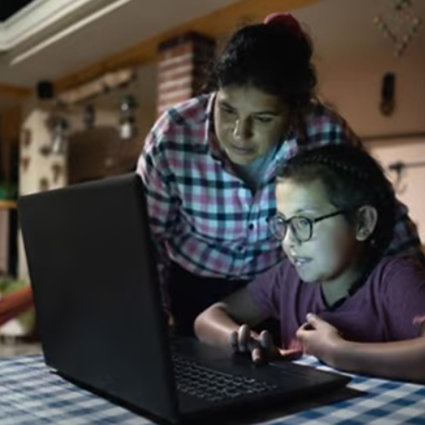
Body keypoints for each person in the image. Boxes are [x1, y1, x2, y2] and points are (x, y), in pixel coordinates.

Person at [137, 12, 424, 336]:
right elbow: (143, 237)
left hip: (280, 289)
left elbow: (382, 211)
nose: (238, 133)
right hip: (189, 284)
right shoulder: (173, 135)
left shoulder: (324, 132)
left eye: (262, 118)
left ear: (293, 111)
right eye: (227, 109)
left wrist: (413, 285)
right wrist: (152, 312)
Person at [194, 144, 425, 383]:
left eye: (304, 222)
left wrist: (339, 352)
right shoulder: (287, 279)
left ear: (362, 223)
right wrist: (244, 340)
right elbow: (208, 319)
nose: (288, 240)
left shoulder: (395, 280)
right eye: (283, 222)